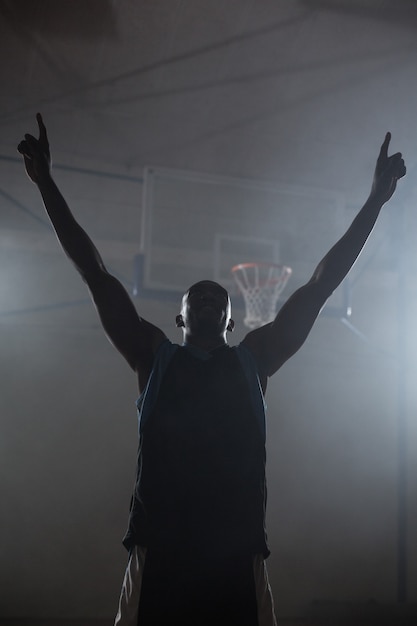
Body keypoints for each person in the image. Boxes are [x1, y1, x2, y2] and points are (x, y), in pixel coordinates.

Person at [18, 114, 405, 626]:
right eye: (195, 294)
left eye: (216, 296)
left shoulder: (256, 359)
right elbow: (96, 273)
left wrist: (375, 200)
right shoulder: (152, 356)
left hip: (236, 555)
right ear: (180, 317)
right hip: (160, 552)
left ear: (232, 317)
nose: (206, 295)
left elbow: (320, 284)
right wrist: (45, 182)